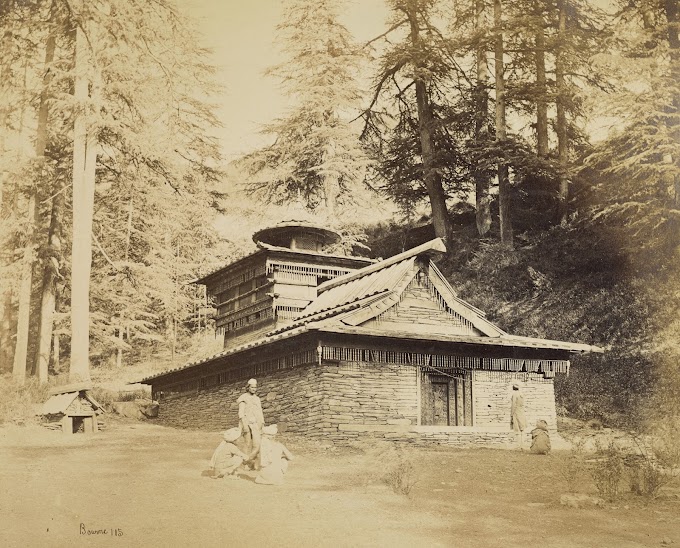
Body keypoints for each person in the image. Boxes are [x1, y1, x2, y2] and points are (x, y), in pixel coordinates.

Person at [237, 378, 265, 463]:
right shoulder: (243, 397)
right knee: (247, 443)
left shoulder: (257, 399)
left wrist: (262, 422)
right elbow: (241, 413)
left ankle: (250, 460)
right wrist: (244, 425)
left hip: (256, 424)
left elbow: (260, 411)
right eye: (252, 387)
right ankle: (245, 462)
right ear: (248, 387)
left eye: (255, 387)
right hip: (246, 423)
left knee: (257, 444)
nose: (254, 389)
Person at [511, 383, 526, 450]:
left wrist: (512, 414)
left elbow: (513, 405)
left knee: (517, 429)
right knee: (522, 429)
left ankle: (518, 446)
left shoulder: (514, 394)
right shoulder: (521, 394)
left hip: (516, 412)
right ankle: (522, 445)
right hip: (521, 412)